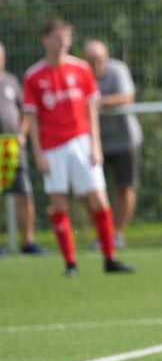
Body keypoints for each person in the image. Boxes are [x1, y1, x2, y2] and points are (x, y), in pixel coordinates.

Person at [22, 19, 133, 276]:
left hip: (81, 142)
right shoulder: (34, 75)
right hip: (52, 146)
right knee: (59, 203)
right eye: (56, 37)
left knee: (99, 198)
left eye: (66, 37)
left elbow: (91, 108)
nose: (61, 42)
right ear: (45, 40)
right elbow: (32, 117)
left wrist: (95, 144)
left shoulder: (81, 69)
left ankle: (110, 258)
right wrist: (38, 153)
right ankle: (70, 263)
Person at [84, 40, 143, 248]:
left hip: (124, 140)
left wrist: (96, 102)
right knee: (92, 189)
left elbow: (127, 97)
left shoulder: (118, 70)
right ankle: (102, 233)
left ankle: (118, 233)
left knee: (124, 187)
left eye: (99, 59)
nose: (95, 63)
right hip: (93, 142)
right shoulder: (80, 73)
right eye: (90, 59)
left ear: (107, 57)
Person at [0, 41, 46, 256]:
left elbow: (26, 111)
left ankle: (28, 241)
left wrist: (22, 132)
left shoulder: (11, 81)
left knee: (24, 193)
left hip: (13, 147)